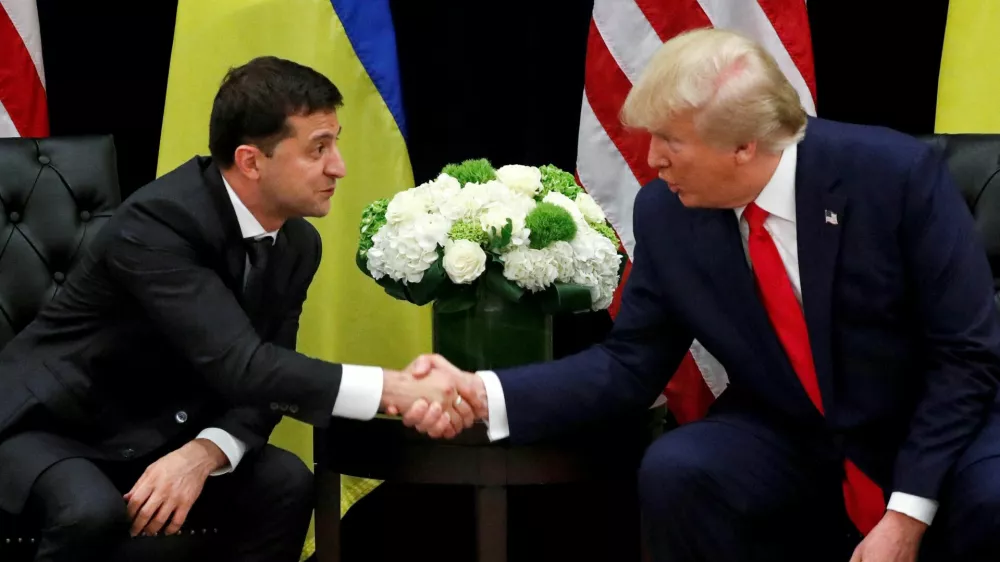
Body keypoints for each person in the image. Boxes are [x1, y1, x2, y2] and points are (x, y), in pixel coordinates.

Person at [399, 28, 1000, 562]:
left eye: (670, 141)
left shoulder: (892, 176)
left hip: (933, 419)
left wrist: (906, 514)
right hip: (792, 427)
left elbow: (965, 358)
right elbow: (629, 362)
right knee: (682, 468)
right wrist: (483, 392)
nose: (652, 159)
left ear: (745, 146)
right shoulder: (666, 211)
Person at [0, 56, 480, 562]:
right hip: (51, 424)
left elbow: (266, 385)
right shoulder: (157, 223)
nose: (338, 166)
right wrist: (393, 388)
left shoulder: (298, 244)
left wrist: (204, 452)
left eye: (335, 142)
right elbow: (243, 364)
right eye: (318, 148)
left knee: (286, 483)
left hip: (158, 426)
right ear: (251, 161)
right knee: (89, 511)